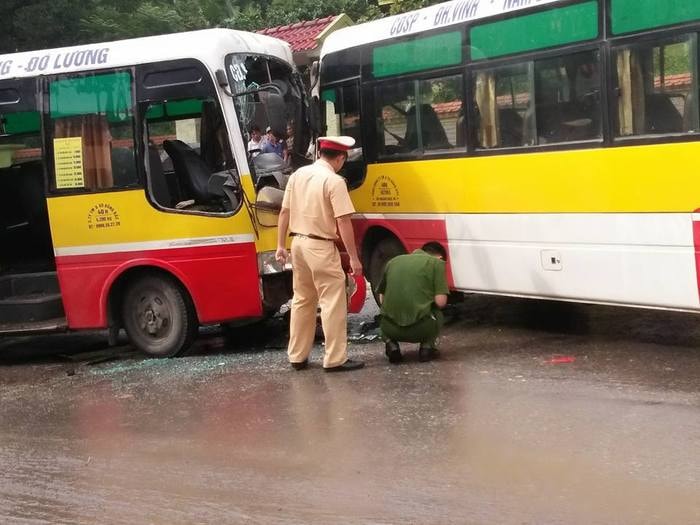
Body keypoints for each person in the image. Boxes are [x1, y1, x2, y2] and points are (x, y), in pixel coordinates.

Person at [275, 136, 364, 373]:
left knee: (303, 300)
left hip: (298, 245)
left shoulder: (298, 175)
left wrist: (280, 245)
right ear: (341, 158)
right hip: (321, 247)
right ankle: (335, 358)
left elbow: (284, 212)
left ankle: (297, 355)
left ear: (320, 154)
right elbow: (343, 222)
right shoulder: (334, 181)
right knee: (332, 302)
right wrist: (354, 258)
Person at [377, 242, 449, 363]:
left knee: (383, 317)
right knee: (438, 314)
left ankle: (391, 344)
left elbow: (382, 299)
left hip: (389, 328)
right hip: (421, 329)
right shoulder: (436, 264)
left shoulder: (393, 262)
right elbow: (440, 302)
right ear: (440, 257)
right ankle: (426, 347)